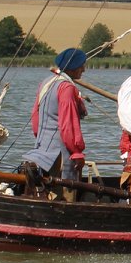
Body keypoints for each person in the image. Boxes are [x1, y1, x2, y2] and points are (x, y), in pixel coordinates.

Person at [23, 48, 91, 189]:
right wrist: (77, 152)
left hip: (42, 149)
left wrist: (41, 138)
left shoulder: (46, 82)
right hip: (61, 153)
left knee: (46, 188)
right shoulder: (67, 88)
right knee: (67, 191)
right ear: (72, 67)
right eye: (81, 65)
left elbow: (35, 118)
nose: (83, 69)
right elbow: (68, 124)